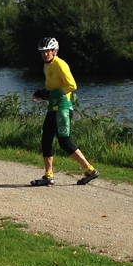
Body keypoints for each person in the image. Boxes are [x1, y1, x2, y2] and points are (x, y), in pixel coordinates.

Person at [30, 37, 99, 186]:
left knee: (64, 142)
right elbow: (51, 87)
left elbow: (72, 85)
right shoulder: (46, 65)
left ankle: (90, 170)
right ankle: (48, 175)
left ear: (55, 51)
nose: (44, 54)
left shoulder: (60, 64)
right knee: (46, 139)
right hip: (52, 106)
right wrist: (42, 93)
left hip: (62, 107)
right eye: (42, 52)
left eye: (47, 51)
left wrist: (51, 94)